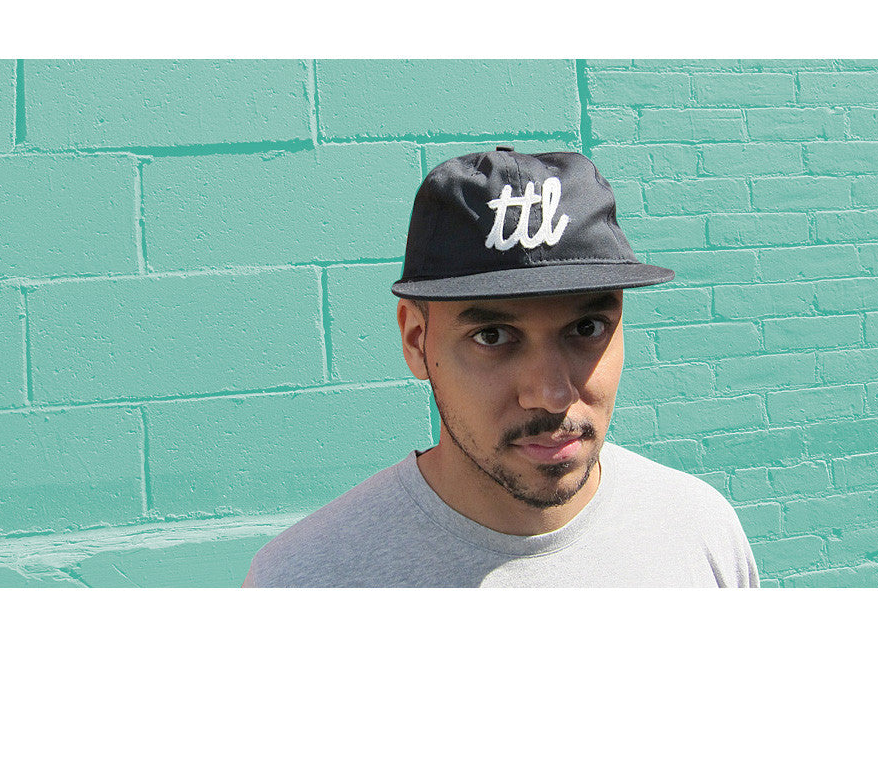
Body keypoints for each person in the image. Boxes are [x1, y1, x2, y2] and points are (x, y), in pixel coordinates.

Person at [242, 146, 759, 587]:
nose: (552, 394)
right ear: (417, 341)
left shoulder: (700, 530)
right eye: (492, 336)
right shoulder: (303, 580)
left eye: (587, 328)